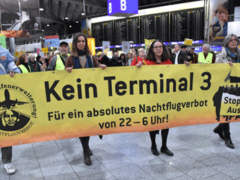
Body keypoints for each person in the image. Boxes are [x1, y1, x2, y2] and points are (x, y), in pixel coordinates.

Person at [65, 33, 106, 166]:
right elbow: (64, 76)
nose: (81, 43)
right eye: (79, 41)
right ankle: (85, 151)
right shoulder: (71, 58)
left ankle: (88, 145)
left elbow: (96, 67)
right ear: (75, 43)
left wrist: (100, 67)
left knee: (91, 122)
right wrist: (67, 71)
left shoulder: (91, 57)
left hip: (91, 96)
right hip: (77, 97)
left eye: (83, 41)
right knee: (82, 125)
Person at [136, 40, 174, 156]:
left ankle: (164, 146)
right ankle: (153, 145)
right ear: (152, 49)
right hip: (152, 98)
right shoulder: (146, 63)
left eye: (160, 47)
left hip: (165, 98)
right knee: (153, 123)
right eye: (156, 47)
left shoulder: (168, 62)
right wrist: (138, 68)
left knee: (166, 123)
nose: (159, 49)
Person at [213, 34, 240, 149]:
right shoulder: (222, 55)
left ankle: (219, 128)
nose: (233, 42)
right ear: (227, 42)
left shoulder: (239, 53)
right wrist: (225, 65)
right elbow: (215, 67)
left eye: (235, 40)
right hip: (226, 86)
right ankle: (227, 137)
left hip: (237, 85)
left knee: (234, 109)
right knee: (227, 110)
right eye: (231, 40)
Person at [0, 45, 20, 175]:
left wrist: (13, 71)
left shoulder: (3, 51)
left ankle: (7, 161)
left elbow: (10, 64)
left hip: (2, 92)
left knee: (4, 130)